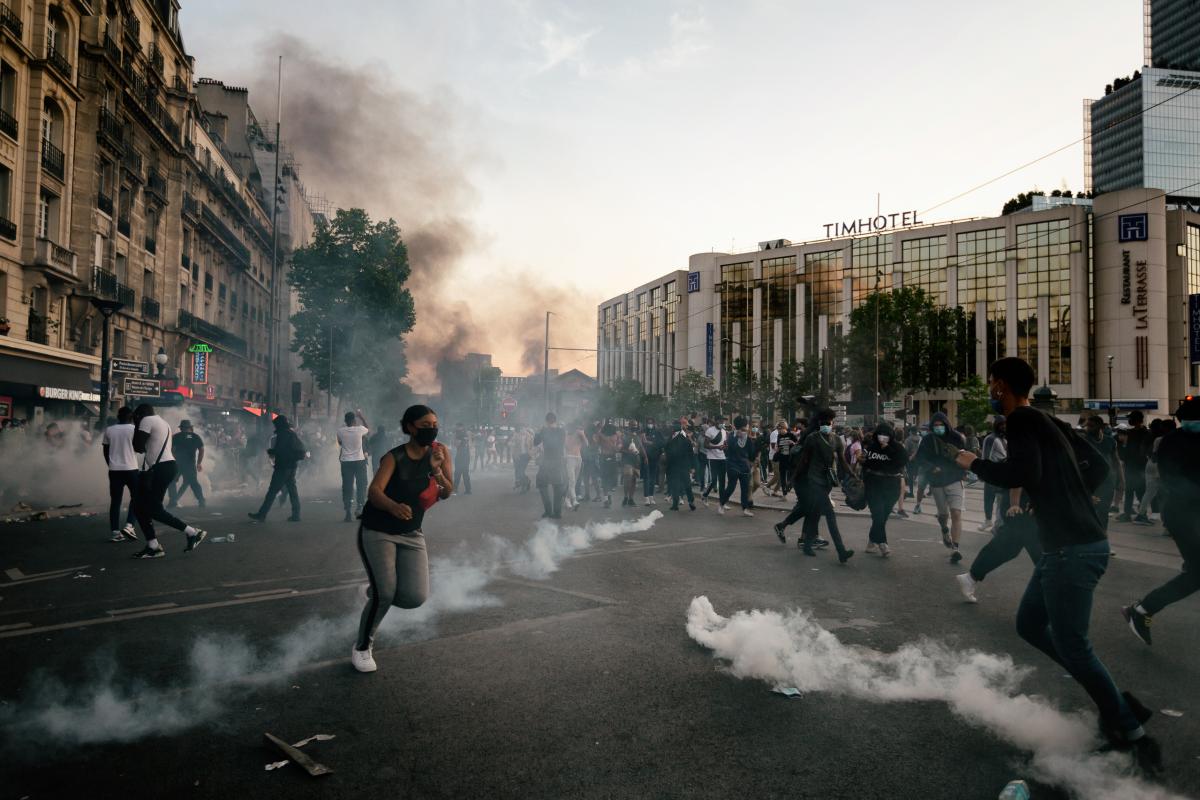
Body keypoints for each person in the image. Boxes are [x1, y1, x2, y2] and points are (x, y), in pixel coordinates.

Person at [961, 357, 1159, 766]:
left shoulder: (1020, 420)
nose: (991, 389)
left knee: (1074, 645)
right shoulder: (1051, 422)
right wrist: (1060, 495)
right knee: (1029, 624)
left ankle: (1130, 731)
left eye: (992, 383)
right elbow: (1098, 466)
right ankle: (1113, 703)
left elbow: (1021, 472)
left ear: (1001, 385)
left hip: (1072, 550)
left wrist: (972, 463)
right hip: (1070, 545)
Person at [352, 404, 452, 673]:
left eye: (435, 425)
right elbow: (374, 492)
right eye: (425, 426)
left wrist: (437, 470)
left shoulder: (440, 453)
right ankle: (362, 647)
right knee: (386, 594)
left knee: (414, 597)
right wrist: (393, 506)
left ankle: (373, 591)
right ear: (410, 427)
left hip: (412, 533)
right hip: (379, 530)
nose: (432, 430)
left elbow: (447, 491)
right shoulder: (393, 457)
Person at [1122, 395, 1200, 646]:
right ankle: (1142, 609)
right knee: (1197, 574)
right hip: (1183, 514)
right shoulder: (1173, 442)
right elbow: (1174, 481)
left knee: (1195, 571)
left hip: (1192, 514)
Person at [774, 408, 853, 563]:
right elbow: (803, 460)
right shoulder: (812, 437)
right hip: (812, 481)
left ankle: (805, 543)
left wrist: (853, 475)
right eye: (825, 422)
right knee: (828, 515)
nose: (827, 425)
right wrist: (792, 480)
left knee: (813, 513)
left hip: (824, 482)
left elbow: (842, 461)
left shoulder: (835, 439)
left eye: (829, 422)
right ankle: (841, 550)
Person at [129, 404, 208, 559]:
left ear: (141, 415)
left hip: (162, 468)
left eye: (137, 417)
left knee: (152, 509)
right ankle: (153, 545)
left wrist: (137, 424)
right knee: (140, 506)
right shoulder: (162, 422)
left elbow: (138, 447)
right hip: (167, 466)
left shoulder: (146, 420)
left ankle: (192, 532)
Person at [916, 411, 967, 563]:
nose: (939, 427)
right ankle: (944, 529)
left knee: (956, 513)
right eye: (936, 425)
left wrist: (963, 470)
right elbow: (920, 458)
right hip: (937, 482)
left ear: (946, 424)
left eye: (941, 425)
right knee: (943, 514)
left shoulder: (957, 438)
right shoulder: (927, 440)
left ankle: (955, 548)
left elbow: (964, 455)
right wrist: (932, 468)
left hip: (955, 479)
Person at [860, 421, 906, 557]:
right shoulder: (872, 447)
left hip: (891, 486)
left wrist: (887, 449)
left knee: (883, 516)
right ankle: (883, 543)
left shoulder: (897, 447)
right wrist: (862, 461)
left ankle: (872, 540)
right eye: (880, 434)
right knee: (878, 514)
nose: (882, 436)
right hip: (874, 485)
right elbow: (867, 464)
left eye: (886, 434)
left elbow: (902, 462)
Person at [248, 415, 306, 522]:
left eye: (275, 424)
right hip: (291, 466)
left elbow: (280, 450)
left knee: (272, 491)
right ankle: (296, 514)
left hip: (283, 467)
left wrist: (271, 451)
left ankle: (262, 514)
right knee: (292, 491)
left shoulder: (283, 434)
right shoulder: (291, 433)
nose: (275, 427)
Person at [102, 406, 139, 542]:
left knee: (115, 501)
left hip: (114, 470)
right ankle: (129, 525)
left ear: (118, 417)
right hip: (131, 469)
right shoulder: (134, 429)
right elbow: (140, 448)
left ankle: (115, 532)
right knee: (136, 498)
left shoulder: (109, 430)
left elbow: (105, 451)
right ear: (131, 417)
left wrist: (111, 464)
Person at [1116, 409, 1152, 523]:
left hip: (1136, 466)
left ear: (1136, 419)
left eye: (1131, 418)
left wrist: (1122, 446)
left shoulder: (1136, 433)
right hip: (1137, 465)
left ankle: (1136, 514)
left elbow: (1127, 452)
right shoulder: (1144, 433)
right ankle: (1135, 514)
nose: (1129, 420)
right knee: (1134, 490)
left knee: (1136, 491)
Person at [1085, 415, 1120, 531]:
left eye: (1091, 426)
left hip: (1107, 482)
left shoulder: (1110, 441)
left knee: (1104, 511)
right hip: (1090, 483)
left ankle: (1103, 536)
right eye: (1087, 426)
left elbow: (1116, 461)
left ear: (1100, 426)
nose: (1088, 428)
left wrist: (1121, 480)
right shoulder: (1083, 440)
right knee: (1090, 512)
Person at [717, 416, 756, 516]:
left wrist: (752, 461)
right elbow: (728, 450)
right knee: (731, 487)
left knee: (745, 488)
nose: (746, 428)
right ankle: (721, 504)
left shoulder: (748, 438)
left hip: (744, 466)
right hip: (732, 465)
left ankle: (745, 508)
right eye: (745, 426)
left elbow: (752, 453)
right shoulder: (731, 436)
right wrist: (736, 438)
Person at [337, 410, 370, 523]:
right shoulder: (360, 429)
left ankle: (348, 512)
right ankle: (360, 506)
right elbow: (368, 429)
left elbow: (340, 443)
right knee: (361, 484)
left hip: (346, 462)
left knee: (347, 486)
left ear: (345, 421)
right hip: (359, 461)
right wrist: (361, 416)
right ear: (354, 420)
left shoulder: (340, 431)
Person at [534, 412, 567, 519]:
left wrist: (539, 431)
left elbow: (535, 442)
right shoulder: (562, 431)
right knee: (558, 487)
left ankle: (548, 510)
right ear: (555, 420)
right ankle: (557, 512)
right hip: (558, 461)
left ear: (546, 421)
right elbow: (562, 444)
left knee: (542, 485)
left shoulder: (544, 431)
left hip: (547, 461)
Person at [167, 420, 205, 509]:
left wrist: (173, 458)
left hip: (177, 464)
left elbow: (171, 450)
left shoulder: (176, 436)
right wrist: (199, 463)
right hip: (190, 464)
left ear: (181, 428)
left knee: (172, 481)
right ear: (190, 427)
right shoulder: (195, 436)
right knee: (193, 483)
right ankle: (201, 501)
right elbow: (201, 449)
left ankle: (173, 501)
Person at [977, 416, 1007, 531]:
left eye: (1005, 424)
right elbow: (986, 457)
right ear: (996, 425)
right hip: (992, 473)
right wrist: (983, 473)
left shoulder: (1004, 439)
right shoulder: (991, 438)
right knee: (989, 499)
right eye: (1001, 424)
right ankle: (988, 520)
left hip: (1002, 474)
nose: (1004, 426)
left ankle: (997, 523)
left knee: (1000, 500)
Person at [665, 418, 697, 511]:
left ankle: (687, 502)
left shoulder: (680, 439)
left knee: (683, 485)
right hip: (678, 466)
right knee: (679, 485)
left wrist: (692, 466)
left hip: (679, 466)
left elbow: (690, 454)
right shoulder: (676, 438)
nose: (671, 428)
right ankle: (680, 503)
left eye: (672, 427)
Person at [701, 415, 727, 505]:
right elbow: (705, 445)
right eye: (720, 421)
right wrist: (717, 447)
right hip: (712, 458)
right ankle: (705, 495)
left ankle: (722, 503)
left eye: (723, 421)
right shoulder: (710, 430)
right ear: (715, 421)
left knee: (722, 481)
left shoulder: (724, 431)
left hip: (722, 458)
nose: (722, 423)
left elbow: (724, 443)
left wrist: (725, 446)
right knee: (714, 480)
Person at [640, 419, 664, 507]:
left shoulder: (657, 432)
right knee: (647, 477)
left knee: (653, 478)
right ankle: (646, 497)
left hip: (655, 458)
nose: (649, 424)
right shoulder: (643, 432)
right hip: (646, 458)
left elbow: (661, 443)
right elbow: (640, 445)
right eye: (648, 423)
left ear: (654, 423)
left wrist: (650, 443)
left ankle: (651, 496)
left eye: (651, 423)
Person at [564, 421, 586, 511]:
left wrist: (583, 435)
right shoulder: (567, 435)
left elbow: (587, 444)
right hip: (570, 458)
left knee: (574, 482)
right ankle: (574, 500)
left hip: (579, 458)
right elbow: (566, 447)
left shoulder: (580, 435)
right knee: (572, 480)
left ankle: (567, 499)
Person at [620, 421, 643, 507]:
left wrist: (644, 456)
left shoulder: (637, 437)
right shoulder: (625, 437)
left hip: (636, 461)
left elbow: (640, 447)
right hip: (627, 461)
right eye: (633, 425)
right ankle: (625, 497)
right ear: (629, 426)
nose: (634, 427)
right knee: (627, 479)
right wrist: (628, 451)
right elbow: (621, 449)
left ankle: (631, 499)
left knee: (633, 480)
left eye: (635, 425)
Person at [451, 423, 472, 496]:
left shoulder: (459, 434)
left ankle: (455, 490)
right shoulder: (466, 433)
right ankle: (468, 490)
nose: (455, 428)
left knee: (457, 473)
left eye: (456, 427)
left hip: (461, 455)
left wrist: (454, 438)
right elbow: (469, 444)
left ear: (459, 427)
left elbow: (456, 444)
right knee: (465, 473)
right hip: (466, 455)